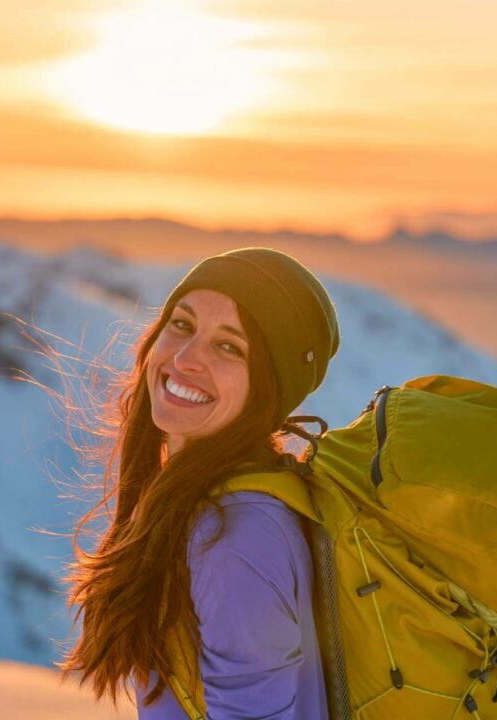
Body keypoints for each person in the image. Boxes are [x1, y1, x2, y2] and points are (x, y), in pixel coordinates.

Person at [61, 248, 340, 719]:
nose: (187, 358)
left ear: (267, 387)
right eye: (183, 325)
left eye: (229, 347)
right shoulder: (212, 506)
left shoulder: (235, 534)